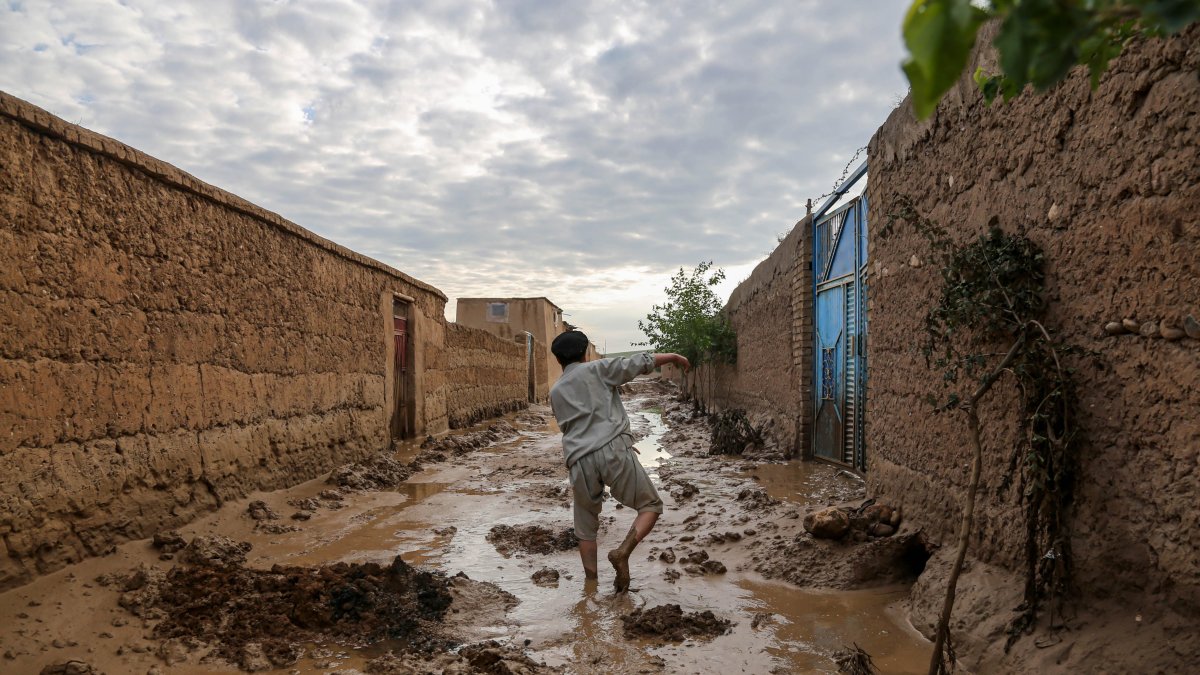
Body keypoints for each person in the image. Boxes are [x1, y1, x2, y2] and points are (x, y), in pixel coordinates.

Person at [548, 330, 691, 592]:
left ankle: (590, 587)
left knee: (585, 527)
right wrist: (672, 355)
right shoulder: (598, 369)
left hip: (579, 460)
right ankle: (623, 552)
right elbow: (637, 363)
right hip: (614, 450)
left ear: (558, 360)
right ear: (586, 353)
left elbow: (568, 427)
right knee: (650, 505)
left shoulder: (555, 391)